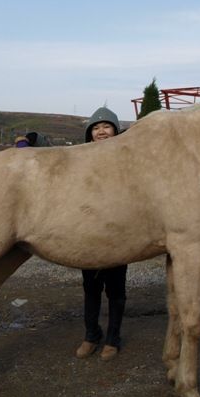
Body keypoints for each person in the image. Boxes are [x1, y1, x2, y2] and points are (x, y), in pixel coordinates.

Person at [75, 106, 128, 361]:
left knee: (116, 290)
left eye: (106, 126)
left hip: (118, 233)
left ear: (116, 130)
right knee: (90, 287)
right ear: (90, 134)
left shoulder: (126, 158)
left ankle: (113, 339)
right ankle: (90, 335)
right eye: (96, 128)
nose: (101, 131)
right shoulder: (80, 159)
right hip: (89, 233)